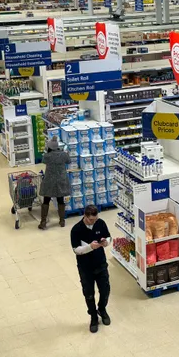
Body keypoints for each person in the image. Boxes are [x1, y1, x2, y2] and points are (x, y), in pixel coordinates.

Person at [70, 204, 111, 333]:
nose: (94, 221)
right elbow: (76, 250)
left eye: (95, 218)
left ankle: (102, 309)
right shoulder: (76, 229)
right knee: (89, 294)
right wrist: (90, 247)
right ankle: (93, 316)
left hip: (101, 264)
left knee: (105, 290)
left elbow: (108, 237)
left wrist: (106, 242)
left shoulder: (101, 223)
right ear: (85, 216)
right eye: (91, 220)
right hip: (85, 267)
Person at [38, 138, 71, 230]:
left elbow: (43, 161)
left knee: (46, 200)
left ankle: (43, 222)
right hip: (61, 179)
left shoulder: (47, 156)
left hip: (49, 180)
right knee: (60, 200)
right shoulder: (63, 155)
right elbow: (69, 161)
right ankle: (62, 220)